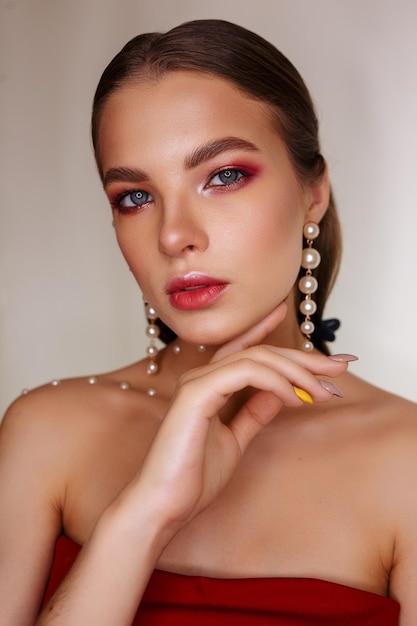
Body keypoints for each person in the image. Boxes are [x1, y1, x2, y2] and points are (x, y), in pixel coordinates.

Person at [0, 18, 415, 625]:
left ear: (314, 193)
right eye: (134, 197)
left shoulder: (407, 460)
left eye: (224, 176)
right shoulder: (46, 431)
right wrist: (144, 515)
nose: (172, 235)